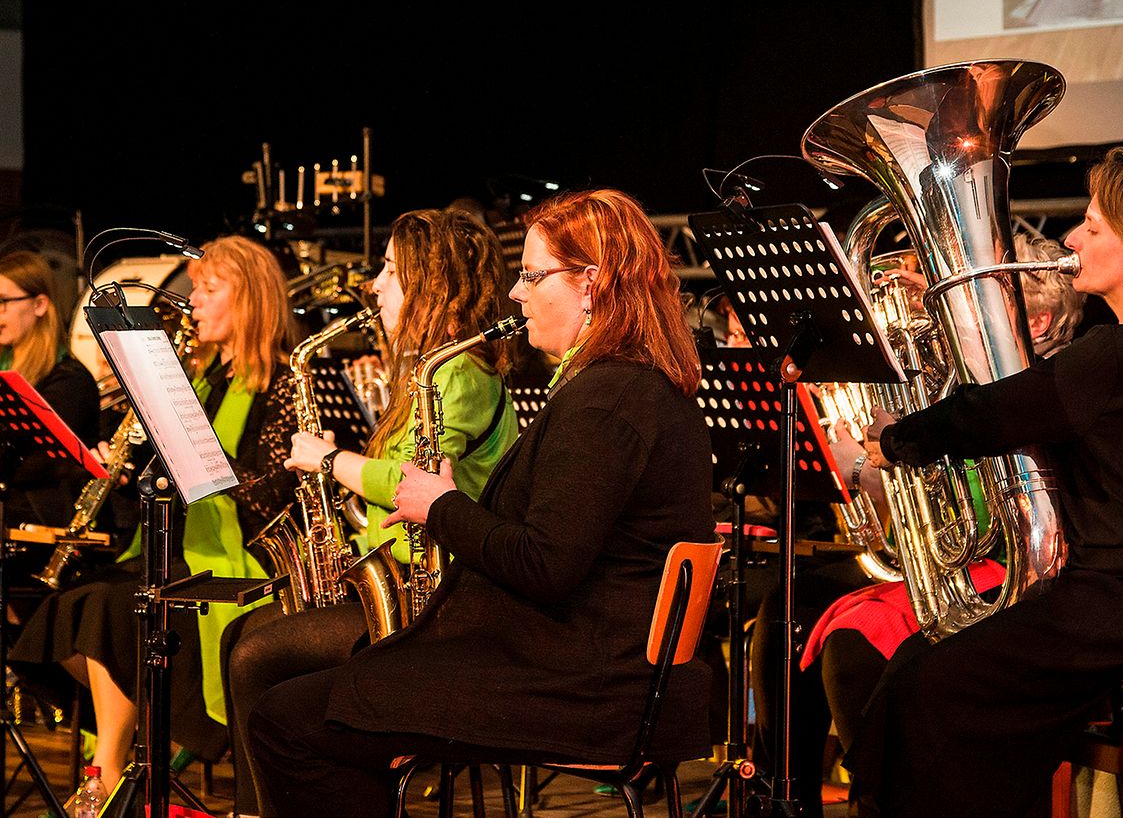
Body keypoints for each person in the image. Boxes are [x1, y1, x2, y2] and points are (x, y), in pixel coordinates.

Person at [246, 188, 716, 817]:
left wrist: (441, 505)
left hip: (582, 687)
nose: (516, 294)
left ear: (591, 284)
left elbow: (544, 565)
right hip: (584, 667)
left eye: (532, 276)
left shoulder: (606, 402)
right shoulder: (629, 387)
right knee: (323, 695)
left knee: (286, 719)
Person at [845, 149, 1123, 817]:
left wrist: (895, 438)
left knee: (931, 686)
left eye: (1094, 227)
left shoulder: (1117, 354)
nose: (1072, 239)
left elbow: (991, 413)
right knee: (916, 665)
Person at [219, 207, 518, 818]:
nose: (374, 285)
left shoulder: (460, 374)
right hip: (398, 582)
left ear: (434, 285)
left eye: (391, 271)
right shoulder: (434, 371)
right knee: (238, 638)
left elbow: (407, 484)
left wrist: (331, 459)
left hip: (432, 601)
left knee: (255, 657)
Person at [11, 236, 299, 794]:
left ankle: (109, 775)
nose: (195, 302)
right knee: (68, 606)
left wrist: (198, 448)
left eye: (209, 290)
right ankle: (145, 749)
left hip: (233, 561)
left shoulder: (281, 383)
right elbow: (168, 479)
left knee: (109, 610)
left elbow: (271, 496)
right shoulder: (204, 378)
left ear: (251, 299)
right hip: (172, 548)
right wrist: (125, 474)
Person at [805, 233, 1084, 763]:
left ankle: (888, 790)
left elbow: (986, 511)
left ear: (1038, 323)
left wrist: (867, 464)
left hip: (1015, 568)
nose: (963, 312)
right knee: (795, 616)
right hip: (965, 562)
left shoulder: (1047, 385)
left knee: (853, 648)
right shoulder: (973, 385)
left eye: (982, 299)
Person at [0, 251, 100, 534]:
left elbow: (35, 465)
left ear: (40, 304)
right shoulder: (5, 364)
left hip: (42, 520)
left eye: (3, 302)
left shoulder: (69, 380)